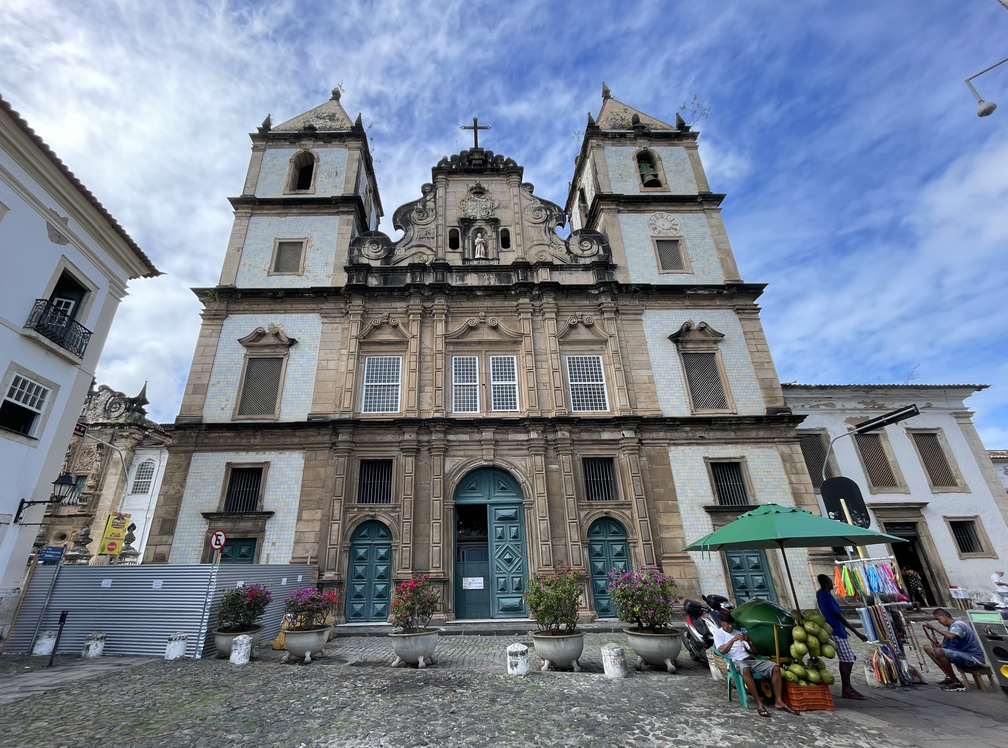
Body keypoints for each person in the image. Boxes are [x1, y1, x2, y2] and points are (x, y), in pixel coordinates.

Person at [712, 610, 800, 718]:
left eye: (732, 624)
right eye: (728, 624)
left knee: (775, 667)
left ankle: (779, 701)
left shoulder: (739, 632)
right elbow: (721, 651)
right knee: (745, 669)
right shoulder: (718, 633)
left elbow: (755, 652)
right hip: (735, 662)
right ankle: (759, 704)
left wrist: (748, 640)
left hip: (748, 659)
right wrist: (733, 640)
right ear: (721, 622)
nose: (730, 626)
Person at [816, 574, 869, 699]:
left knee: (846, 658)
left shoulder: (820, 593)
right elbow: (838, 615)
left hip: (835, 629)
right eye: (829, 581)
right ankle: (846, 688)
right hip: (836, 631)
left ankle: (848, 687)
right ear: (825, 583)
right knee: (848, 658)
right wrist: (857, 632)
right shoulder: (827, 596)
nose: (832, 583)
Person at [922, 608, 986, 691]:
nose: (939, 622)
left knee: (938, 651)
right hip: (963, 654)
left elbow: (951, 636)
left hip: (973, 658)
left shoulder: (958, 625)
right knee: (929, 648)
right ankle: (949, 677)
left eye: (938, 619)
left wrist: (934, 628)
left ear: (943, 616)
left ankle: (957, 683)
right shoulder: (952, 626)